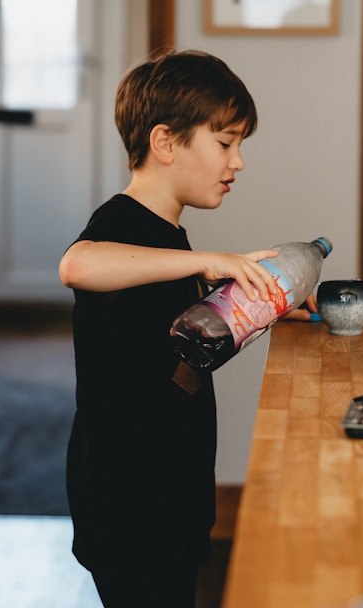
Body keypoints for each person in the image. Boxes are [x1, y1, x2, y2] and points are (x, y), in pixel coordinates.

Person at [59, 49, 297, 606]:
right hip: (126, 496)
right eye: (225, 143)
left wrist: (251, 304)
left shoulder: (168, 239)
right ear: (165, 143)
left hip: (167, 486)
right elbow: (77, 264)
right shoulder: (121, 223)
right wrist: (203, 262)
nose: (237, 162)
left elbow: (174, 342)